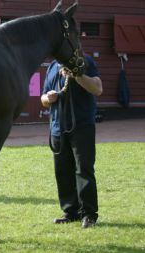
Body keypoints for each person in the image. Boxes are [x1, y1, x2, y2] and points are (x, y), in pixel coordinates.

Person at [41, 54, 103, 228]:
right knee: (62, 171)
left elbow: (98, 89)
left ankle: (89, 214)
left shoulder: (85, 61)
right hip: (57, 127)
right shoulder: (52, 66)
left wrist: (77, 75)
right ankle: (70, 212)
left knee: (84, 169)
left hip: (81, 125)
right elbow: (43, 99)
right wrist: (49, 98)